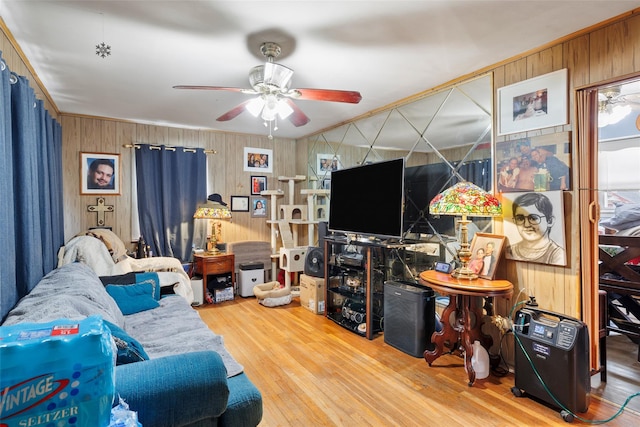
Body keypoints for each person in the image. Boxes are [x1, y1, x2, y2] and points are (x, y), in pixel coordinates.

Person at [506, 192, 566, 265]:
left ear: (550, 221)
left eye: (533, 218)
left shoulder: (557, 255)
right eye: (520, 218)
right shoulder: (509, 251)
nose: (526, 224)